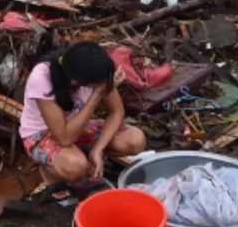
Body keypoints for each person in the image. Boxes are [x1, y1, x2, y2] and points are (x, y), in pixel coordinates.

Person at [20, 42, 146, 184]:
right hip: (43, 134)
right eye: (96, 85)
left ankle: (87, 157)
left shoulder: (97, 70)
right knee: (76, 166)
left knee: (135, 140)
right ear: (76, 82)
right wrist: (96, 96)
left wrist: (98, 149)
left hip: (79, 126)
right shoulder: (42, 78)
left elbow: (117, 112)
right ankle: (50, 170)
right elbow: (64, 138)